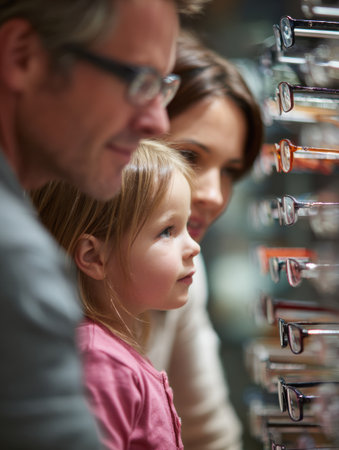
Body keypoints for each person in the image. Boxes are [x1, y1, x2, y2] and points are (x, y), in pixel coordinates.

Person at [0, 1, 208, 448]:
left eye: (163, 87)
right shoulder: (13, 254)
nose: (158, 121)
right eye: (137, 80)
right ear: (22, 57)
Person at [31, 139, 201, 449]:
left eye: (187, 225)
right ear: (94, 257)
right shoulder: (102, 361)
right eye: (167, 231)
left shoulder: (114, 353)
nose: (193, 246)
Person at [146, 31, 263, 450]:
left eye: (230, 170)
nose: (214, 195)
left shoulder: (183, 271)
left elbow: (207, 431)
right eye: (191, 156)